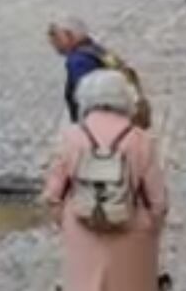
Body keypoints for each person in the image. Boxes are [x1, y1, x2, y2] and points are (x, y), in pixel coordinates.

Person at [42, 70, 170, 291]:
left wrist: (67, 221)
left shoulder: (72, 138)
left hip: (82, 232)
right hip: (131, 235)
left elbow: (53, 195)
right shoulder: (139, 140)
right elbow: (158, 201)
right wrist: (149, 227)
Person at [47, 17, 152, 128]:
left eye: (56, 37)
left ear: (70, 36)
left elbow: (87, 97)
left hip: (105, 123)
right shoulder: (97, 50)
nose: (52, 42)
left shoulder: (79, 61)